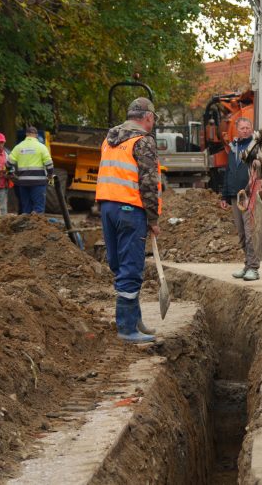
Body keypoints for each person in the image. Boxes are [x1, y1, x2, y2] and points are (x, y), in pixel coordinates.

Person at [95, 97, 162, 344]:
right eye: (153, 119)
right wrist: (153, 218)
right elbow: (148, 183)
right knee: (131, 268)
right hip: (130, 209)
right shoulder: (142, 142)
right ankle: (126, 327)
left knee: (119, 265)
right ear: (147, 118)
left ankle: (134, 320)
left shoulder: (109, 139)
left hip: (107, 207)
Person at [219, 117, 260, 281]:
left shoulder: (256, 147)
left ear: (251, 128)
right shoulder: (233, 148)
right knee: (242, 234)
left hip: (249, 195)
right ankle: (247, 264)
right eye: (242, 128)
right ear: (237, 130)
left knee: (250, 233)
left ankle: (254, 268)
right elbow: (228, 171)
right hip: (235, 195)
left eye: (247, 127)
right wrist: (225, 196)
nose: (245, 130)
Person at [8, 126, 54, 214]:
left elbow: (8, 163)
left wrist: (11, 174)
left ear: (26, 134)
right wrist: (50, 175)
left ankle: (26, 226)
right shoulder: (41, 147)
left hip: (23, 183)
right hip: (38, 183)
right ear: (36, 135)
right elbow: (49, 164)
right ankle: (36, 226)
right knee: (38, 209)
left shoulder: (19, 147)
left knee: (26, 209)